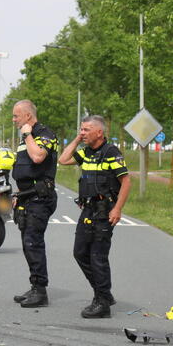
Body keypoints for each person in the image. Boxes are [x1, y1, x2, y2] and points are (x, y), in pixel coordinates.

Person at [58, 115, 131, 318]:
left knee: (98, 257)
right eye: (81, 129)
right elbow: (63, 160)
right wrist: (76, 140)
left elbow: (126, 182)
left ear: (100, 132)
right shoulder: (86, 152)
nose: (83, 133)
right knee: (80, 252)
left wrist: (117, 209)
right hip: (88, 210)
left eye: (86, 130)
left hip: (105, 210)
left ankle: (102, 303)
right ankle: (104, 293)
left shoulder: (111, 152)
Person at [11, 100, 58, 308]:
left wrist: (28, 134)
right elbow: (24, 170)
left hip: (40, 198)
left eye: (16, 116)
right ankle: (34, 286)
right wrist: (18, 195)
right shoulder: (25, 138)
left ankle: (41, 291)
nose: (14, 120)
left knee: (33, 242)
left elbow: (38, 157)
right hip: (26, 197)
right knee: (27, 244)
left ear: (28, 117)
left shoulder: (45, 134)